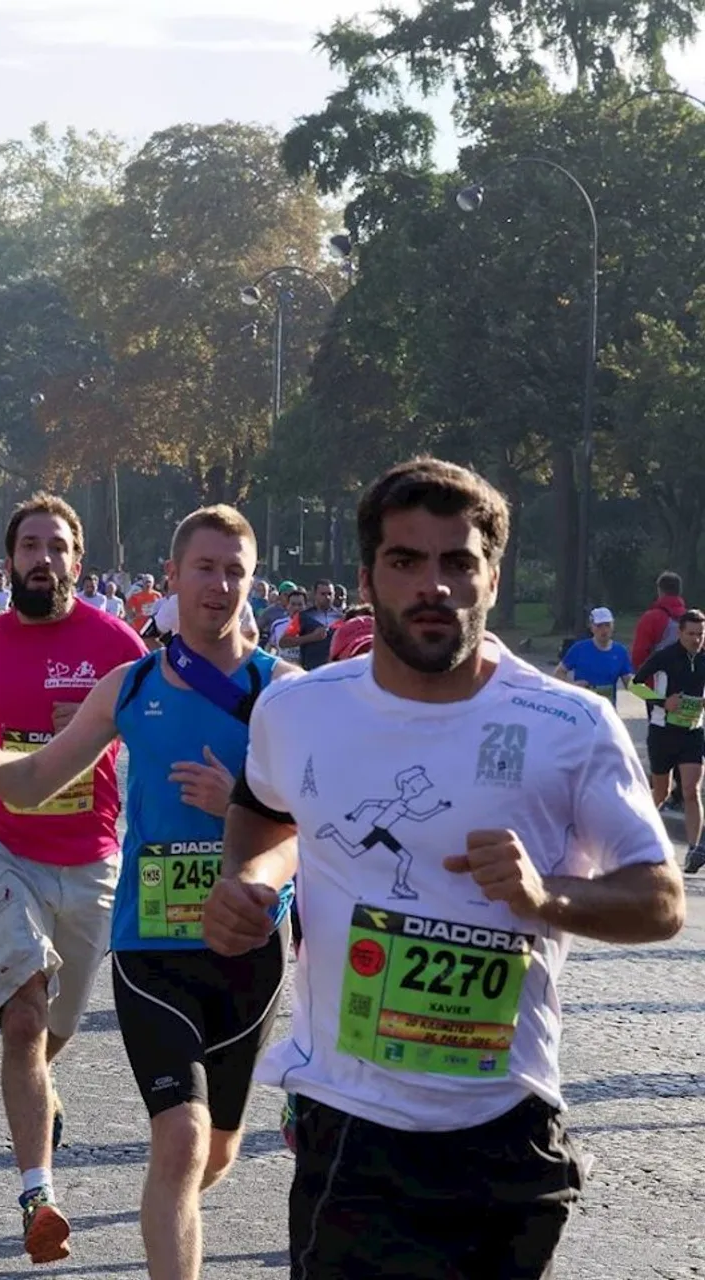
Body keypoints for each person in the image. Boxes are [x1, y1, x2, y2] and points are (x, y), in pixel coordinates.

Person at [203, 455, 685, 1279]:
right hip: (351, 1126)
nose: (435, 586)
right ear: (368, 578)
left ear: (492, 579)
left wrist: (547, 893)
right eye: (406, 562)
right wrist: (248, 879)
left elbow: (661, 899)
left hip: (507, 1124)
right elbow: (263, 809)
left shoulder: (569, 723)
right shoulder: (298, 708)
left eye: (459, 562)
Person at [0, 505, 294, 1280]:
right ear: (171, 578)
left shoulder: (289, 694)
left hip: (251, 953)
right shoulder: (130, 686)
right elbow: (34, 779)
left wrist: (240, 803)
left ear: (253, 581)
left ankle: (165, 1207)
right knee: (180, 1141)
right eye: (204, 568)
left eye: (236, 569)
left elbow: (328, 821)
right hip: (151, 948)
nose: (220, 585)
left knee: (215, 1153)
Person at [0, 493, 149, 1264]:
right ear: (10, 559)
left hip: (91, 862)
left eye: (57, 546)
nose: (42, 558)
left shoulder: (117, 641)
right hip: (1, 850)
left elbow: (150, 738)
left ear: (76, 562)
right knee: (22, 1020)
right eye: (29, 545)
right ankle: (38, 1194)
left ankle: (37, 1101)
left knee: (53, 1036)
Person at [629, 609, 705, 871]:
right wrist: (663, 702)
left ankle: (695, 851)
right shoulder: (665, 656)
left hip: (693, 731)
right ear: (680, 633)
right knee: (660, 792)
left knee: (691, 791)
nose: (697, 640)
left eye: (701, 634)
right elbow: (635, 685)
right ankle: (637, 839)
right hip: (663, 731)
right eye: (691, 634)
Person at [554, 606, 633, 696]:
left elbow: (629, 682)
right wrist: (572, 687)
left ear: (613, 626)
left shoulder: (620, 651)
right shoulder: (579, 648)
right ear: (591, 627)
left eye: (607, 625)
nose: (604, 630)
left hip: (606, 706)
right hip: (583, 704)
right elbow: (559, 673)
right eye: (599, 626)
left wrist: (649, 696)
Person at [630, 571, 687, 667]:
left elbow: (639, 654)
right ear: (679, 591)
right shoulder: (693, 619)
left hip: (658, 677)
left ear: (660, 591)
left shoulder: (651, 618)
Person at [294, 580, 342, 670]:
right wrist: (311, 637)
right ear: (314, 595)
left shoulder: (342, 617)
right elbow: (284, 641)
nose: (327, 597)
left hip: (335, 670)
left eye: (330, 594)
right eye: (323, 594)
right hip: (311, 669)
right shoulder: (303, 616)